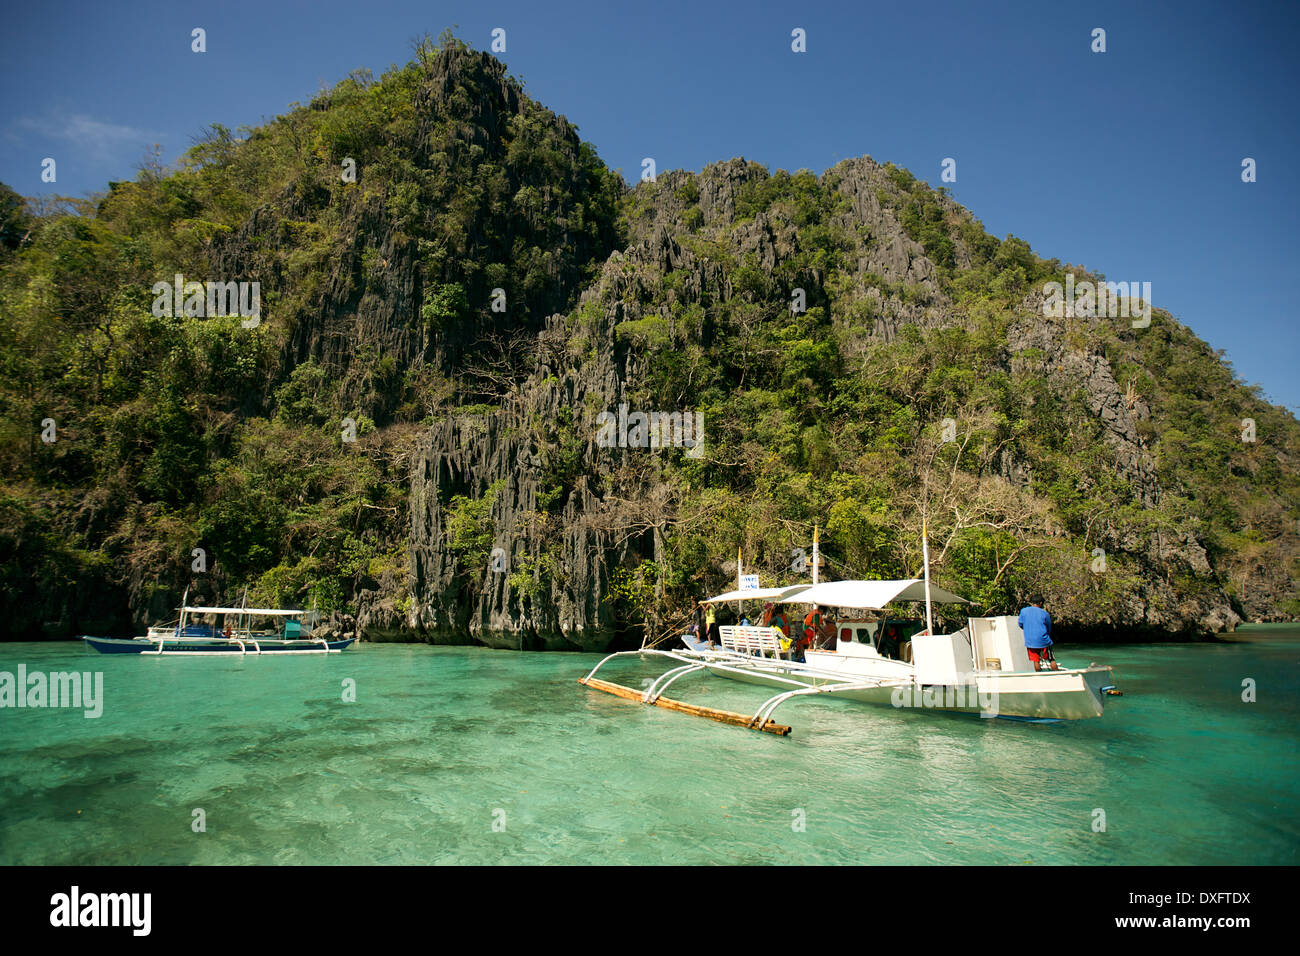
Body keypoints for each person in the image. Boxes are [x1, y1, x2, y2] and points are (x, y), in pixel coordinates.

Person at [1018, 596, 1058, 671]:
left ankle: (1039, 675)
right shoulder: (1045, 613)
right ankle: (1058, 675)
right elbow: (1048, 627)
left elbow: (1020, 624)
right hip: (1044, 640)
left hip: (1030, 641)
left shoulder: (1023, 611)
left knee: (1035, 660)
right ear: (1040, 603)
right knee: (1051, 659)